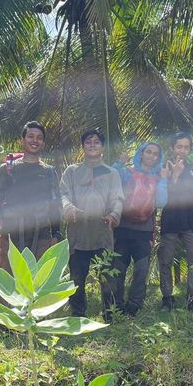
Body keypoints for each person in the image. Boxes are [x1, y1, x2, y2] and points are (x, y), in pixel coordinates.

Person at [60, 129, 124, 321]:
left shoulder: (112, 173)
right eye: (89, 141)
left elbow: (118, 198)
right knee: (77, 278)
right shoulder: (72, 171)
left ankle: (109, 315)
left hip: (103, 234)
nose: (93, 144)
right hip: (78, 234)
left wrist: (114, 215)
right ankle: (78, 315)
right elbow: (63, 195)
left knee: (107, 278)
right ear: (83, 146)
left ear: (102, 146)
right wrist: (69, 208)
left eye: (97, 141)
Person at [0, 122, 62, 269]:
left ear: (43, 143)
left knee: (39, 284)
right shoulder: (8, 169)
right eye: (30, 136)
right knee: (7, 283)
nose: (35, 140)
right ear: (22, 140)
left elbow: (55, 205)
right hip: (11, 234)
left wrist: (56, 234)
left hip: (41, 235)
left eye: (39, 138)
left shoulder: (49, 171)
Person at [111, 142, 168, 316]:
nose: (151, 156)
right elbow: (111, 182)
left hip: (144, 232)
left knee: (141, 271)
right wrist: (118, 163)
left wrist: (164, 180)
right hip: (123, 229)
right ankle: (115, 305)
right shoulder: (126, 173)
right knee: (118, 269)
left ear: (158, 158)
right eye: (148, 152)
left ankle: (134, 305)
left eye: (155, 154)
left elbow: (160, 202)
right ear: (141, 154)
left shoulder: (159, 177)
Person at [158, 132, 193, 310]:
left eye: (186, 147)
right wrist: (174, 177)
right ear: (172, 148)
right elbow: (164, 194)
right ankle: (167, 298)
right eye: (179, 146)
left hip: (192, 221)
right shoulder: (164, 167)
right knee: (165, 260)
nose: (182, 150)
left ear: (190, 149)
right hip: (170, 222)